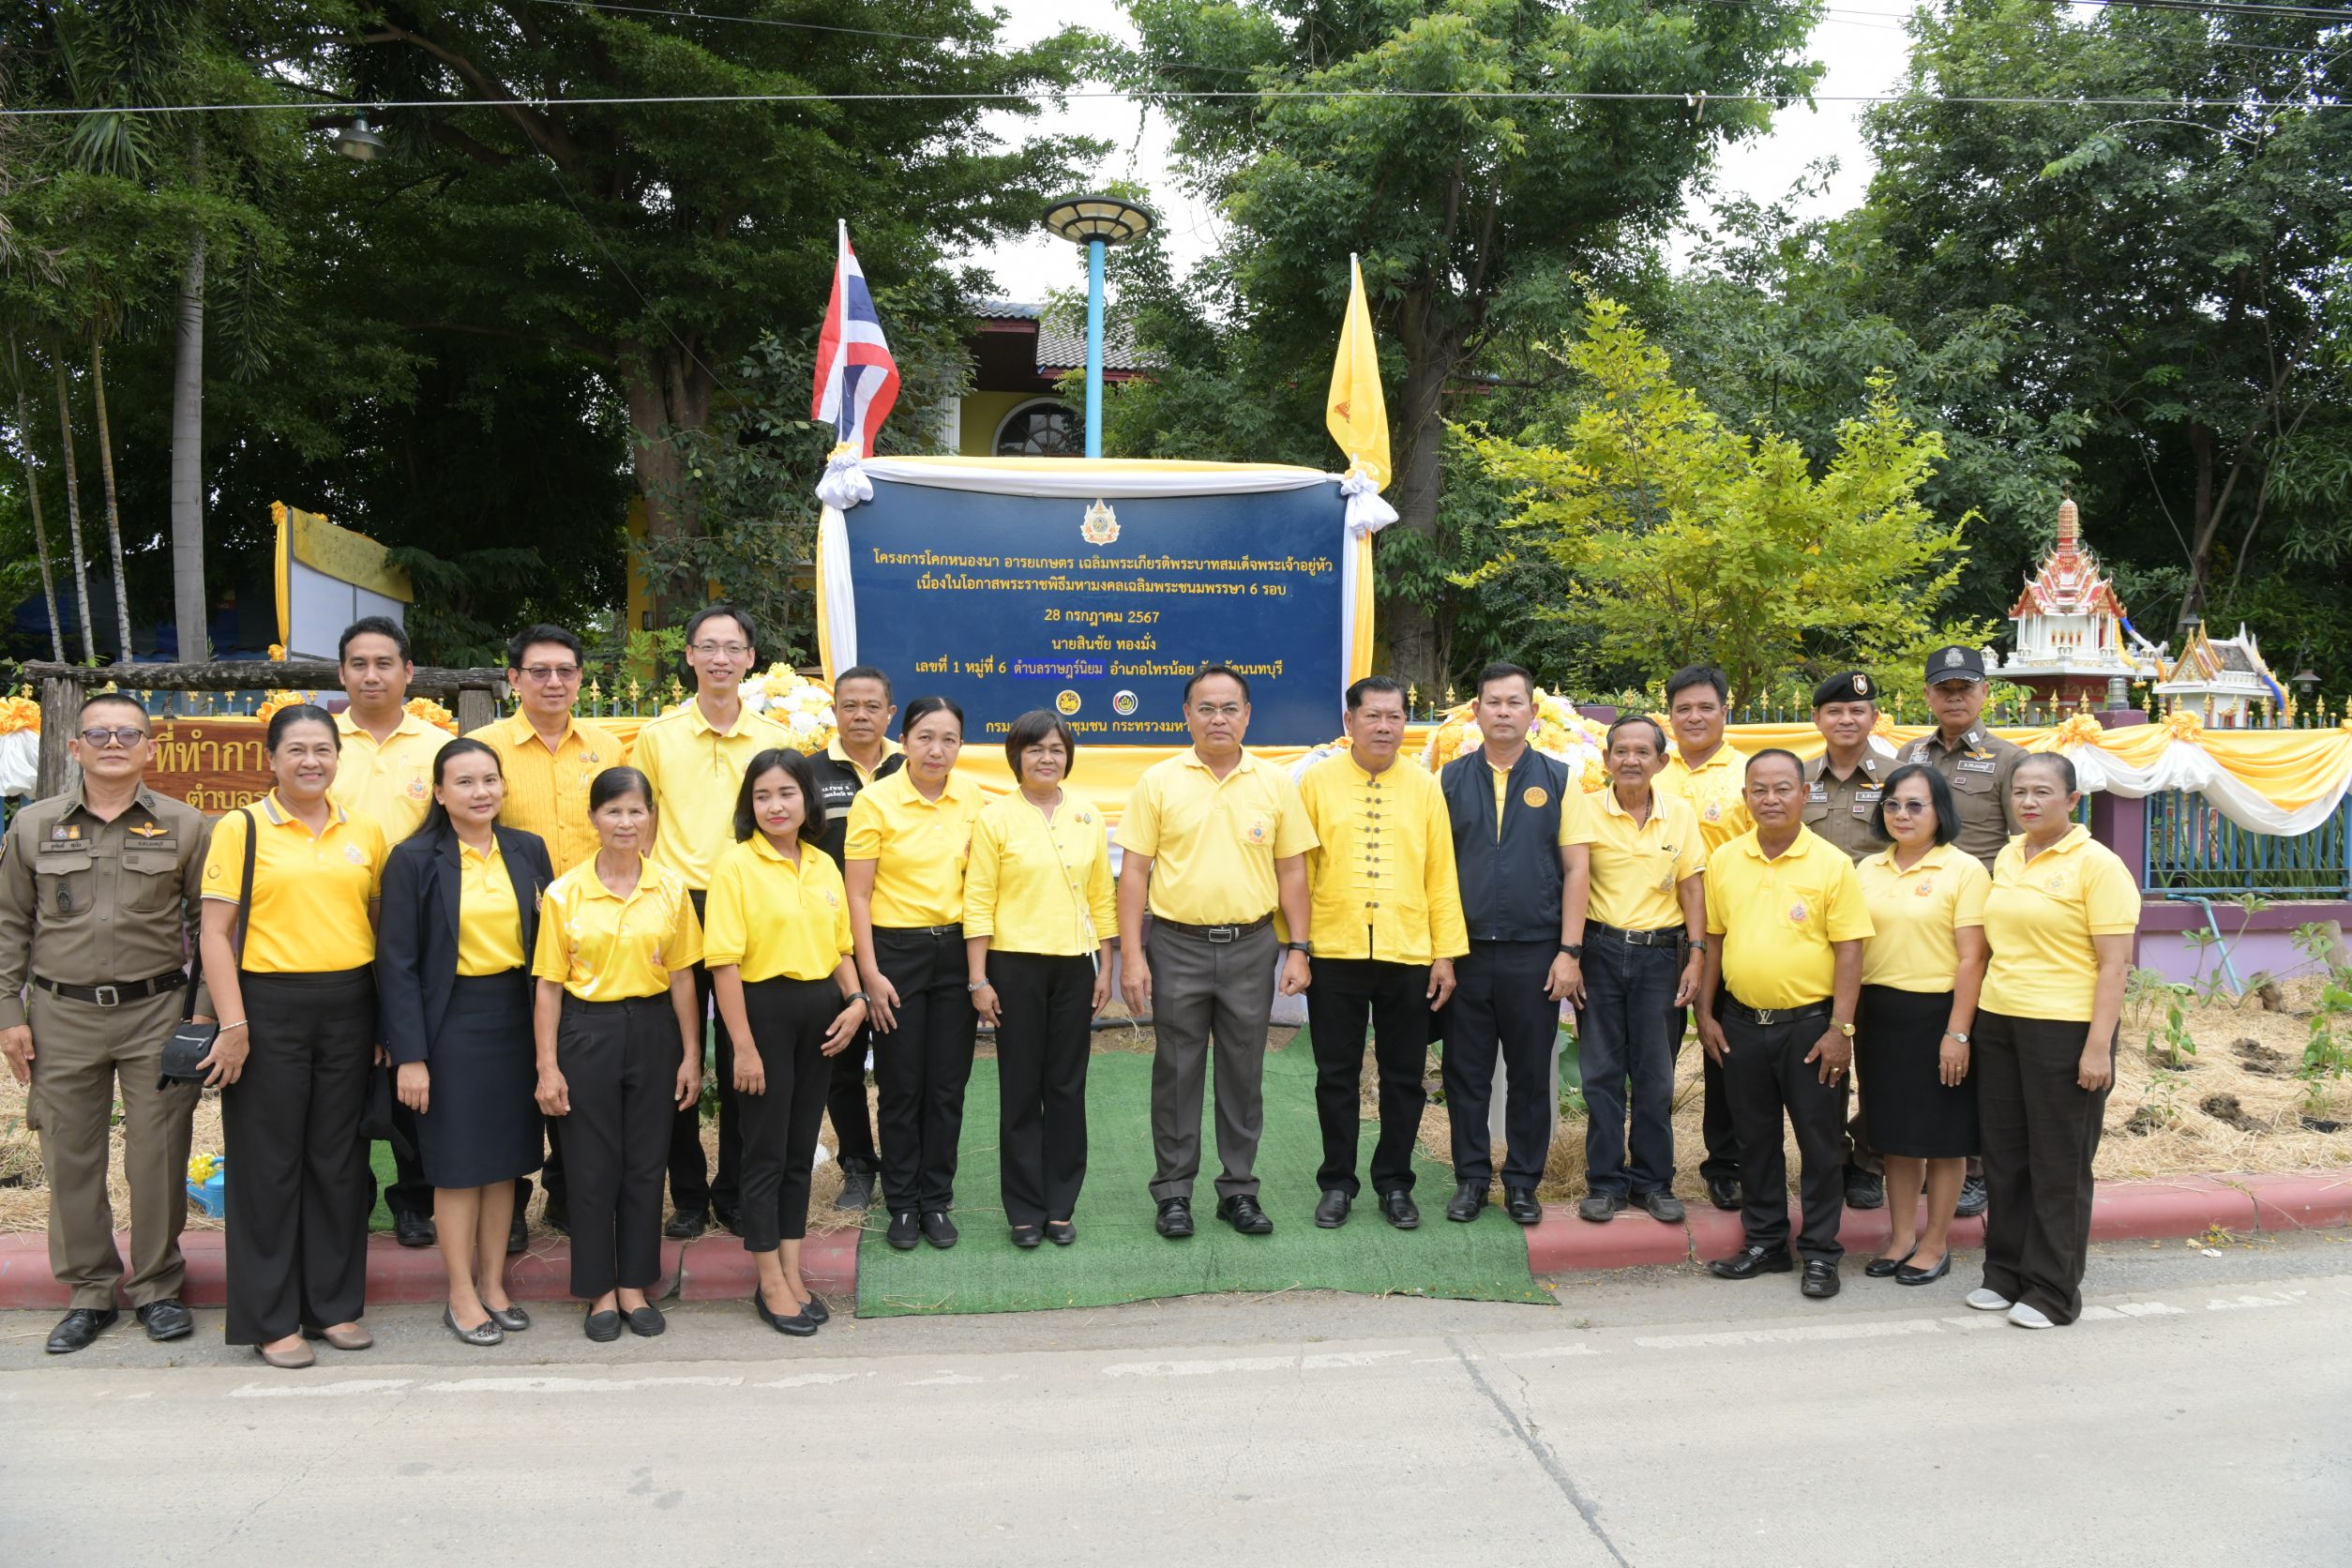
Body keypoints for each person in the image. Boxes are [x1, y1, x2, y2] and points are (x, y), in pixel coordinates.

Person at [0, 694, 212, 1354]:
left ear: (151, 747)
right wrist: (11, 1016)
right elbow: (9, 927)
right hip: (60, 1016)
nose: (113, 744)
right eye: (99, 734)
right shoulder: (34, 827)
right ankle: (90, 1292)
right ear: (75, 748)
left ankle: (156, 1287)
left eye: (128, 734)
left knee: (157, 1156)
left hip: (155, 1012)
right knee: (69, 1156)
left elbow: (212, 930)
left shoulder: (186, 826)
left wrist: (201, 1016)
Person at [199, 704, 391, 1368]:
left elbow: (375, 926)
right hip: (267, 1007)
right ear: (272, 759)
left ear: (339, 758)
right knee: (267, 1165)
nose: (311, 761)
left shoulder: (363, 830)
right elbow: (214, 936)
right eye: (297, 750)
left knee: (338, 1162)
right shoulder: (242, 827)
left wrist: (380, 1021)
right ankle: (269, 1318)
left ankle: (333, 1306)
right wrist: (233, 1024)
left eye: (323, 749)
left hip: (348, 1006)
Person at [1118, 666, 1316, 1241]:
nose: (1218, 719)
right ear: (1186, 715)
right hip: (1176, 944)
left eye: (1230, 708)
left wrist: (1297, 949)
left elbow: (1292, 871)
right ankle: (1174, 1193)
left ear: (1248, 715)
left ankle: (1239, 1191)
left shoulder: (1275, 784)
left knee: (1243, 1070)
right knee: (1176, 1070)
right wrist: (1133, 956)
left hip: (1252, 946)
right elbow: (1133, 873)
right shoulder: (1158, 782)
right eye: (1206, 708)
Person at [377, 738, 554, 1346]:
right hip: (449, 1024)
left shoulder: (528, 850)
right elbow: (396, 963)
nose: (481, 792)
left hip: (517, 1019)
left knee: (504, 1163)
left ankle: (494, 1283)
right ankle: (460, 1293)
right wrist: (411, 1055)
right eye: (466, 782)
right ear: (440, 792)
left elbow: (551, 945)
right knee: (457, 1167)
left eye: (490, 780)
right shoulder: (414, 858)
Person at [632, 604, 791, 1239]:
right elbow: (637, 821)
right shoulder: (658, 735)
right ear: (691, 656)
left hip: (750, 904)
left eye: (733, 647)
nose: (720, 658)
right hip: (676, 906)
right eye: (708, 646)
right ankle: (690, 1193)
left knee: (748, 1052)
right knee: (677, 1054)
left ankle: (736, 1189)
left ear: (751, 657)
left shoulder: (772, 738)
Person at [531, 766, 704, 1341]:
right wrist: (548, 1065)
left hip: (654, 1032)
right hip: (586, 1033)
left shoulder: (671, 889)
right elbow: (550, 986)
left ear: (651, 817)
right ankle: (598, 1291)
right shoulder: (563, 893)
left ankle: (634, 1285)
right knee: (589, 1166)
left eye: (636, 811)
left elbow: (683, 978)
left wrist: (690, 1054)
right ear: (594, 819)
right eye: (613, 811)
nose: (625, 822)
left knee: (645, 1163)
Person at [1968, 753, 2137, 1329]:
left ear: (2072, 801)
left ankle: (2052, 1291)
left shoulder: (2098, 865)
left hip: (2064, 1029)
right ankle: (2005, 1273)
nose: (2029, 801)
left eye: (2043, 791)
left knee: (2058, 1163)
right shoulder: (2009, 856)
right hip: (1999, 1021)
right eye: (2020, 791)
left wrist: (2097, 1048)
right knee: (2006, 1157)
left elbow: (2115, 967)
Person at [473, 622, 629, 1241]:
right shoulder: (485, 750)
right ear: (513, 679)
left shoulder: (609, 748)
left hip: (595, 937)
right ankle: (508, 1205)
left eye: (566, 670)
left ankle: (569, 1197)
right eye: (539, 671)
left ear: (581, 678)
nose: (554, 682)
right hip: (511, 935)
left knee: (583, 1071)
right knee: (515, 1074)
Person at [705, 749, 870, 1335]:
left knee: (801, 1149)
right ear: (750, 806)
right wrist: (742, 1047)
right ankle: (768, 1279)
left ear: (808, 798)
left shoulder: (823, 865)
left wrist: (856, 1002)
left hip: (820, 1016)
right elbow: (723, 965)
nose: (776, 806)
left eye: (787, 793)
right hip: (762, 1015)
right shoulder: (735, 866)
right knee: (765, 1152)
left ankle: (794, 1272)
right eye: (762, 796)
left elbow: (842, 950)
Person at [1697, 748, 1872, 1301]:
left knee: (1821, 1146)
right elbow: (1715, 941)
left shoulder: (1831, 864)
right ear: (1745, 798)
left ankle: (1820, 1253)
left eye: (1782, 789)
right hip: (1742, 1024)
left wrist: (1840, 1030)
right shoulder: (1725, 860)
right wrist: (1704, 1013)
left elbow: (1850, 952)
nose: (1770, 800)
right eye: (1759, 790)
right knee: (1755, 1142)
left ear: (1804, 795)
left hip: (1810, 1029)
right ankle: (1766, 1241)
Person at [1295, 675, 1465, 1230]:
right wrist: (1297, 947)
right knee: (1335, 1074)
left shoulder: (1424, 785)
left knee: (1404, 1076)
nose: (1385, 726)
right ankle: (1337, 1183)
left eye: (1394, 716)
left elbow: (1440, 874)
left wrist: (1444, 955)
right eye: (1373, 716)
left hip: (1407, 952)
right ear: (1350, 722)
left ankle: (1395, 1183)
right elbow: (1301, 870)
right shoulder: (1316, 784)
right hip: (1335, 948)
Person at [1437, 663, 1587, 1227]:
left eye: (1514, 702)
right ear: (1475, 711)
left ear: (1532, 713)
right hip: (1466, 951)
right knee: (1465, 1073)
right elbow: (1435, 871)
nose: (1503, 711)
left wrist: (1569, 952)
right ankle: (1472, 1179)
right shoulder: (1447, 781)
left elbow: (1576, 871)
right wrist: (1443, 952)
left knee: (1529, 1075)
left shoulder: (1560, 780)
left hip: (1535, 952)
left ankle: (1524, 1182)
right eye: (1492, 701)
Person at [965, 710, 1118, 1247]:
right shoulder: (995, 819)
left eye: (1056, 749)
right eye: (1035, 749)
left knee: (1067, 1087)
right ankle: (1024, 1209)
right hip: (1014, 967)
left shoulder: (1087, 815)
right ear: (1017, 756)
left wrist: (1107, 965)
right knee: (1021, 1089)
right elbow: (978, 900)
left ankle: (1061, 1205)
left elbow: (1102, 893)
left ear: (1068, 756)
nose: (1046, 758)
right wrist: (978, 980)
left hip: (1075, 967)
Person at [845, 696, 987, 1251]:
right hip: (894, 955)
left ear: (960, 745)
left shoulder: (973, 798)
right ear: (904, 740)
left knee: (948, 1085)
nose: (937, 749)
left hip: (954, 953)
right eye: (926, 736)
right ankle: (902, 1203)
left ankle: (936, 1200)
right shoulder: (876, 801)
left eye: (949, 739)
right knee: (902, 1086)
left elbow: (981, 886)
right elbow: (857, 895)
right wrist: (869, 973)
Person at [328, 616, 444, 1248]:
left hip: (416, 939)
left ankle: (413, 1199)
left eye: (384, 663)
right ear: (342, 673)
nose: (371, 675)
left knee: (413, 1068)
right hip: (336, 929)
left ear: (408, 672)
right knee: (348, 1068)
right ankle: (349, 1199)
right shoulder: (323, 743)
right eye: (359, 664)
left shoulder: (435, 747)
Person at [1562, 715, 1705, 1226]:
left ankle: (1653, 1182)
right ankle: (1604, 1183)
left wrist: (1696, 954)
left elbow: (1692, 886)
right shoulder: (1582, 810)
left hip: (1660, 957)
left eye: (1643, 752)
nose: (1630, 760)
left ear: (1661, 762)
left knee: (1656, 1076)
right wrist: (1572, 954)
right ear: (1605, 760)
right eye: (1621, 750)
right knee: (1601, 1075)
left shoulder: (1681, 815)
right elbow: (1571, 882)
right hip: (1600, 953)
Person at [1853, 764, 1989, 1287]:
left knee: (1943, 1137)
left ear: (1940, 812)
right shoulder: (1868, 869)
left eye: (1916, 805)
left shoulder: (1963, 870)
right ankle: (1901, 1236)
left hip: (1938, 1014)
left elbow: (1972, 959)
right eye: (1892, 804)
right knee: (1896, 1135)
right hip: (1880, 1014)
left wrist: (1957, 1033)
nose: (1902, 814)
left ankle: (1935, 1243)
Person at [1899, 643, 2022, 1220]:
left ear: (1983, 693)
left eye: (1964, 687)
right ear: (1927, 694)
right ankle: (1912, 1156)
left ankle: (1973, 1169)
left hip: (1980, 919)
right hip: (1918, 918)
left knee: (1971, 1042)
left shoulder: (2009, 760)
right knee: (1919, 1044)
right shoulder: (1909, 753)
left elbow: (2025, 847)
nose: (1954, 697)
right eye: (1943, 688)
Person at [805, 664, 902, 1214]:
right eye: (849, 705)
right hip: (828, 945)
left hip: (899, 941)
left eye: (872, 706)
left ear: (890, 712)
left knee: (898, 1064)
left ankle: (904, 1164)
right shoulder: (809, 773)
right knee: (841, 1066)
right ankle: (858, 1167)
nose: (860, 715)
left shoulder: (913, 769)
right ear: (834, 711)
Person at [1655, 664, 1749, 1214]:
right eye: (1683, 708)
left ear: (1724, 710)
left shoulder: (1745, 772)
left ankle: (1726, 1163)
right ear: (1670, 715)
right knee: (1656, 1054)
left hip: (1733, 934)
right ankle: (1647, 1162)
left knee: (1724, 1053)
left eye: (1704, 707)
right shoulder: (1651, 771)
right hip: (1661, 936)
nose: (1693, 717)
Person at [1802, 670, 1895, 1212]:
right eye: (1834, 710)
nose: (1846, 719)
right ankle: (1831, 1155)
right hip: (1813, 942)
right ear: (1818, 719)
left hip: (1883, 939)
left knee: (1882, 1060)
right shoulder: (1798, 779)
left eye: (1858, 711)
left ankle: (1871, 1159)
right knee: (1827, 1056)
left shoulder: (1896, 779)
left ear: (1873, 718)